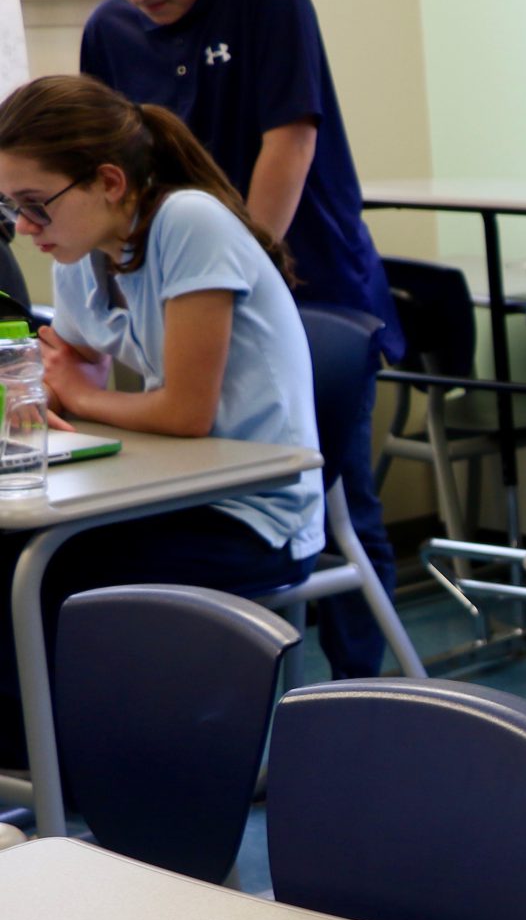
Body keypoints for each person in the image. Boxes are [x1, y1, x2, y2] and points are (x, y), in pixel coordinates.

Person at [73, 0, 399, 678]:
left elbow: (289, 139)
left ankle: (372, 697)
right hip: (190, 298)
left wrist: (244, 269)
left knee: (336, 500)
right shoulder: (109, 31)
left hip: (308, 276)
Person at [0, 74, 319, 763]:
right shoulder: (84, 248)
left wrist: (81, 398)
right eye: (11, 208)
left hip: (259, 514)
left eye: (35, 206)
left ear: (109, 181)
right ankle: (48, 767)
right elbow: (69, 372)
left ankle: (75, 776)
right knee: (16, 557)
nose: (25, 230)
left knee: (53, 578)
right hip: (184, 491)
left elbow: (184, 412)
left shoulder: (188, 222)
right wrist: (61, 394)